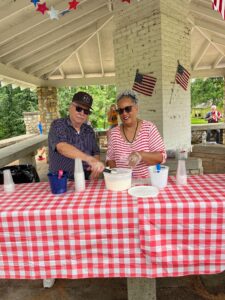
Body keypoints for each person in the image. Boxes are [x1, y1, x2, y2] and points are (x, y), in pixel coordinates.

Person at [106, 90, 166, 178]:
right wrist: (117, 176)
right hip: (122, 183)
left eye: (128, 109)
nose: (124, 113)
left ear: (136, 108)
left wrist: (141, 155)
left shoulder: (149, 128)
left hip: (147, 183)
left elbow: (161, 158)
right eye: (120, 111)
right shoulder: (114, 133)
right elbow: (110, 159)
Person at [48, 91, 105, 180]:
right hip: (62, 180)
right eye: (78, 108)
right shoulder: (58, 125)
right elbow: (62, 147)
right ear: (70, 107)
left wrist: (95, 168)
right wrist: (90, 159)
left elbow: (96, 152)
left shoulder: (89, 130)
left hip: (86, 179)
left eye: (86, 111)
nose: (82, 113)